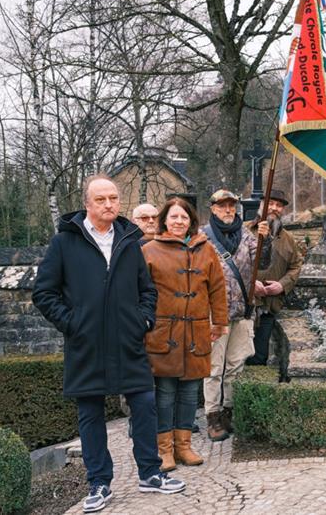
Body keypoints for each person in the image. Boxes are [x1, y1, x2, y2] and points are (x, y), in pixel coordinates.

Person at [32, 174, 184, 513]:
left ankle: (150, 473)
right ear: (87, 204)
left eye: (113, 198)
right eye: (101, 199)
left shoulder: (129, 241)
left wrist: (143, 319)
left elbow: (147, 290)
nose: (109, 204)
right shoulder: (64, 243)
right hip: (86, 346)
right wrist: (73, 324)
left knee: (145, 404)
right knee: (90, 414)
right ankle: (99, 483)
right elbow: (43, 293)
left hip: (127, 342)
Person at [141, 197, 229, 472]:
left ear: (191, 221)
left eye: (184, 217)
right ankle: (164, 449)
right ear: (164, 220)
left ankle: (184, 446)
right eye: (174, 217)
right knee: (165, 393)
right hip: (163, 332)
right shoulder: (149, 250)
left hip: (197, 330)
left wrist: (220, 322)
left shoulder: (206, 250)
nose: (179, 222)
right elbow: (138, 291)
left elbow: (217, 288)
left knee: (191, 393)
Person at [201, 189, 270, 441]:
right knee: (213, 369)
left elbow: (261, 262)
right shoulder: (202, 237)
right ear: (213, 208)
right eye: (222, 206)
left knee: (235, 366)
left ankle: (229, 413)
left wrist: (266, 240)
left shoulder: (246, 236)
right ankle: (212, 417)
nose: (228, 210)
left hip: (241, 312)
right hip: (214, 315)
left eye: (231, 206)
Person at [245, 189, 304, 366]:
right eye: (270, 203)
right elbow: (231, 264)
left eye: (278, 205)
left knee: (259, 357)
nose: (274, 208)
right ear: (261, 205)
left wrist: (281, 285)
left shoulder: (288, 239)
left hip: (269, 307)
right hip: (244, 306)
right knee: (236, 358)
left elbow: (296, 266)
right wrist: (250, 283)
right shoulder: (244, 230)